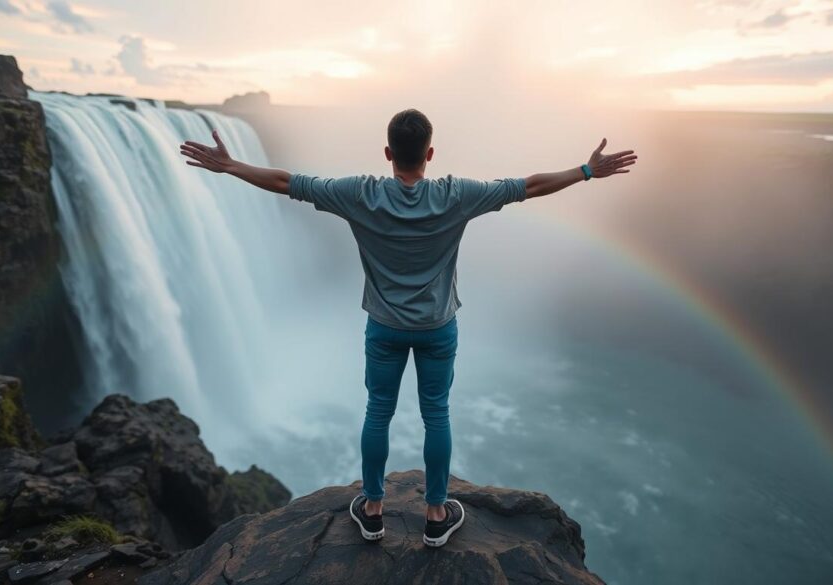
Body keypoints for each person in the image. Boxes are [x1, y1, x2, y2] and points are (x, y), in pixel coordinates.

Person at [179, 109, 637, 547]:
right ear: (430, 154)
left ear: (387, 152)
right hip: (438, 327)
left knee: (378, 411)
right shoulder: (456, 195)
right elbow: (529, 186)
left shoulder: (358, 193)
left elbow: (285, 182)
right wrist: (586, 170)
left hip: (384, 327)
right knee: (435, 414)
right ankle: (436, 517)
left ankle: (373, 509)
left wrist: (231, 166)